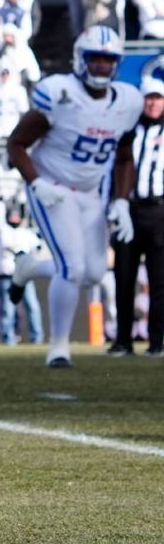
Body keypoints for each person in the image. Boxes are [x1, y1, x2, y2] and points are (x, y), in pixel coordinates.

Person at [8, 25, 143, 368]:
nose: (100, 67)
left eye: (107, 60)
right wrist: (36, 182)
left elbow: (125, 156)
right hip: (52, 187)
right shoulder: (60, 93)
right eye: (94, 59)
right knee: (72, 267)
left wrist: (123, 201)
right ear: (80, 60)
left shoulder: (127, 101)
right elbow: (16, 143)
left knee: (94, 273)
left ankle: (30, 267)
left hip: (90, 192)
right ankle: (58, 348)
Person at [109, 79, 164, 356]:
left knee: (160, 279)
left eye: (158, 98)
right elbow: (116, 167)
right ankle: (122, 340)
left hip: (159, 212)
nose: (153, 103)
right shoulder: (129, 131)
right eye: (149, 98)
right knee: (124, 277)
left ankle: (158, 342)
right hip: (129, 210)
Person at [0, 201, 44, 345]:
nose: (14, 219)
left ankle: (37, 337)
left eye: (17, 216)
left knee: (32, 306)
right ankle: (8, 338)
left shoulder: (25, 232)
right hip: (8, 274)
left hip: (25, 275)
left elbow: (37, 247)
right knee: (8, 309)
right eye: (12, 216)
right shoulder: (3, 231)